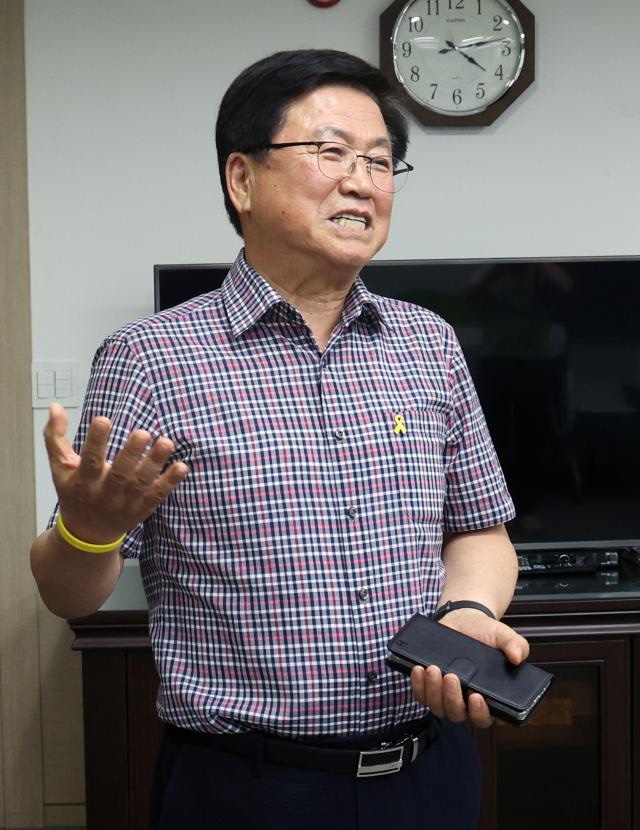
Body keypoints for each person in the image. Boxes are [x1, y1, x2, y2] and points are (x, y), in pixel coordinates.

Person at [31, 49, 529, 830]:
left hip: (430, 775)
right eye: (332, 152)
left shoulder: (428, 343)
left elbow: (480, 530)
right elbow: (67, 595)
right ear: (242, 178)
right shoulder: (150, 358)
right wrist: (87, 529)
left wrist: (466, 610)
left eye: (381, 161)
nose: (362, 181)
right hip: (248, 789)